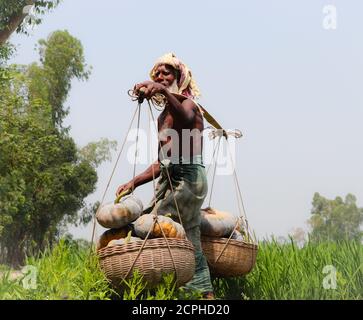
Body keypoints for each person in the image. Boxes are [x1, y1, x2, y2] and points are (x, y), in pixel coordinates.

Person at [116, 53, 214, 299]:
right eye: (157, 74)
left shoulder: (189, 105)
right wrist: (133, 182)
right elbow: (162, 163)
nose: (160, 77)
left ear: (178, 78)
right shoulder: (162, 117)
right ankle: (203, 294)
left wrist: (161, 89)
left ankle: (153, 289)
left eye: (166, 74)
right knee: (189, 235)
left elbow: (186, 118)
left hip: (189, 180)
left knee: (153, 223)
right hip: (171, 177)